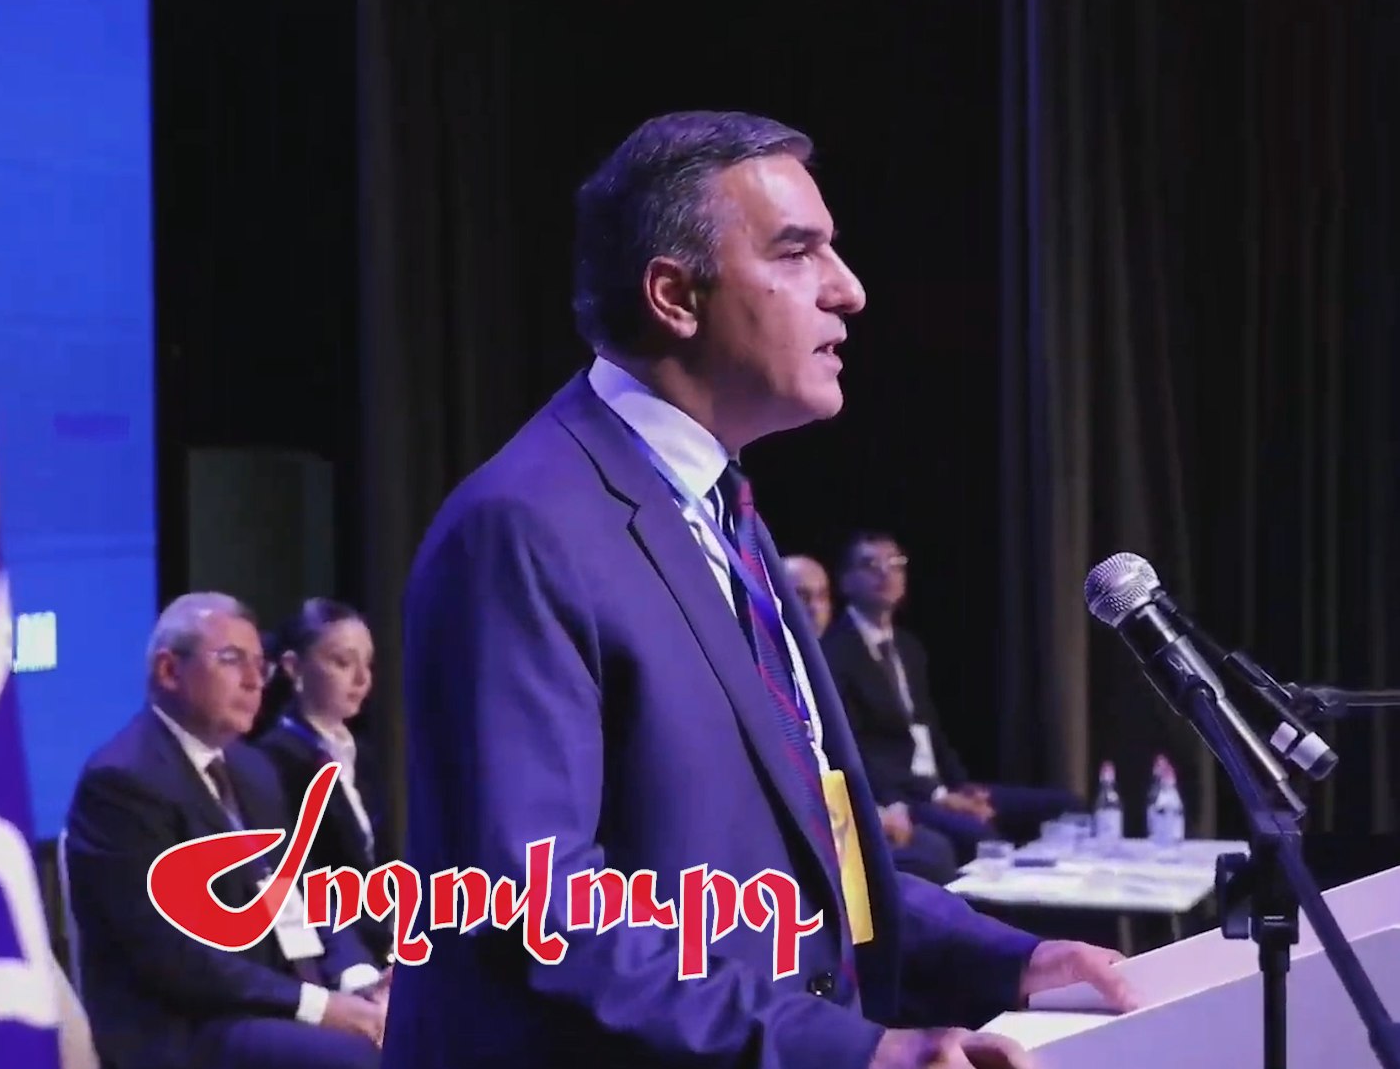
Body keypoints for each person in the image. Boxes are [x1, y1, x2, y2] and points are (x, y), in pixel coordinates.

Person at [383, 111, 1134, 1069]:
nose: (848, 290)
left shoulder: (721, 510)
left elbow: (814, 863)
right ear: (674, 296)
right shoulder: (523, 527)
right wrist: (848, 1053)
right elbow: (540, 909)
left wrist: (1011, 961)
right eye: (796, 251)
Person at [63, 593, 389, 1069]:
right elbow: (173, 956)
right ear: (169, 671)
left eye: (260, 664)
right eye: (232, 660)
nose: (255, 681)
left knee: (427, 1026)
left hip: (272, 1007)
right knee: (362, 1058)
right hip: (186, 1028)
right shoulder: (122, 782)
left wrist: (359, 981)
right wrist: (320, 1006)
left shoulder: (252, 768)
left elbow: (301, 889)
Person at [822, 532, 1083, 863]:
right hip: (901, 795)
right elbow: (858, 750)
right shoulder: (835, 652)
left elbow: (928, 730)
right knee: (982, 838)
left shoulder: (908, 648)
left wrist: (962, 788)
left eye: (895, 563)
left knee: (1066, 808)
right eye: (871, 565)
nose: (885, 573)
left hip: (939, 785)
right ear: (845, 582)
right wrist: (938, 795)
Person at [786, 553, 958, 885]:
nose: (814, 608)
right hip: (809, 824)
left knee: (935, 849)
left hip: (849, 806)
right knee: (933, 854)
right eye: (801, 596)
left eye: (821, 597)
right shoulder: (775, 672)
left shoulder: (816, 668)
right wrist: (875, 813)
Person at [254, 598, 395, 964]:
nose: (362, 679)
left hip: (380, 942)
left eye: (367, 664)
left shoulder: (361, 755)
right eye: (343, 662)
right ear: (294, 667)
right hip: (330, 953)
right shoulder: (273, 759)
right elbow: (290, 881)